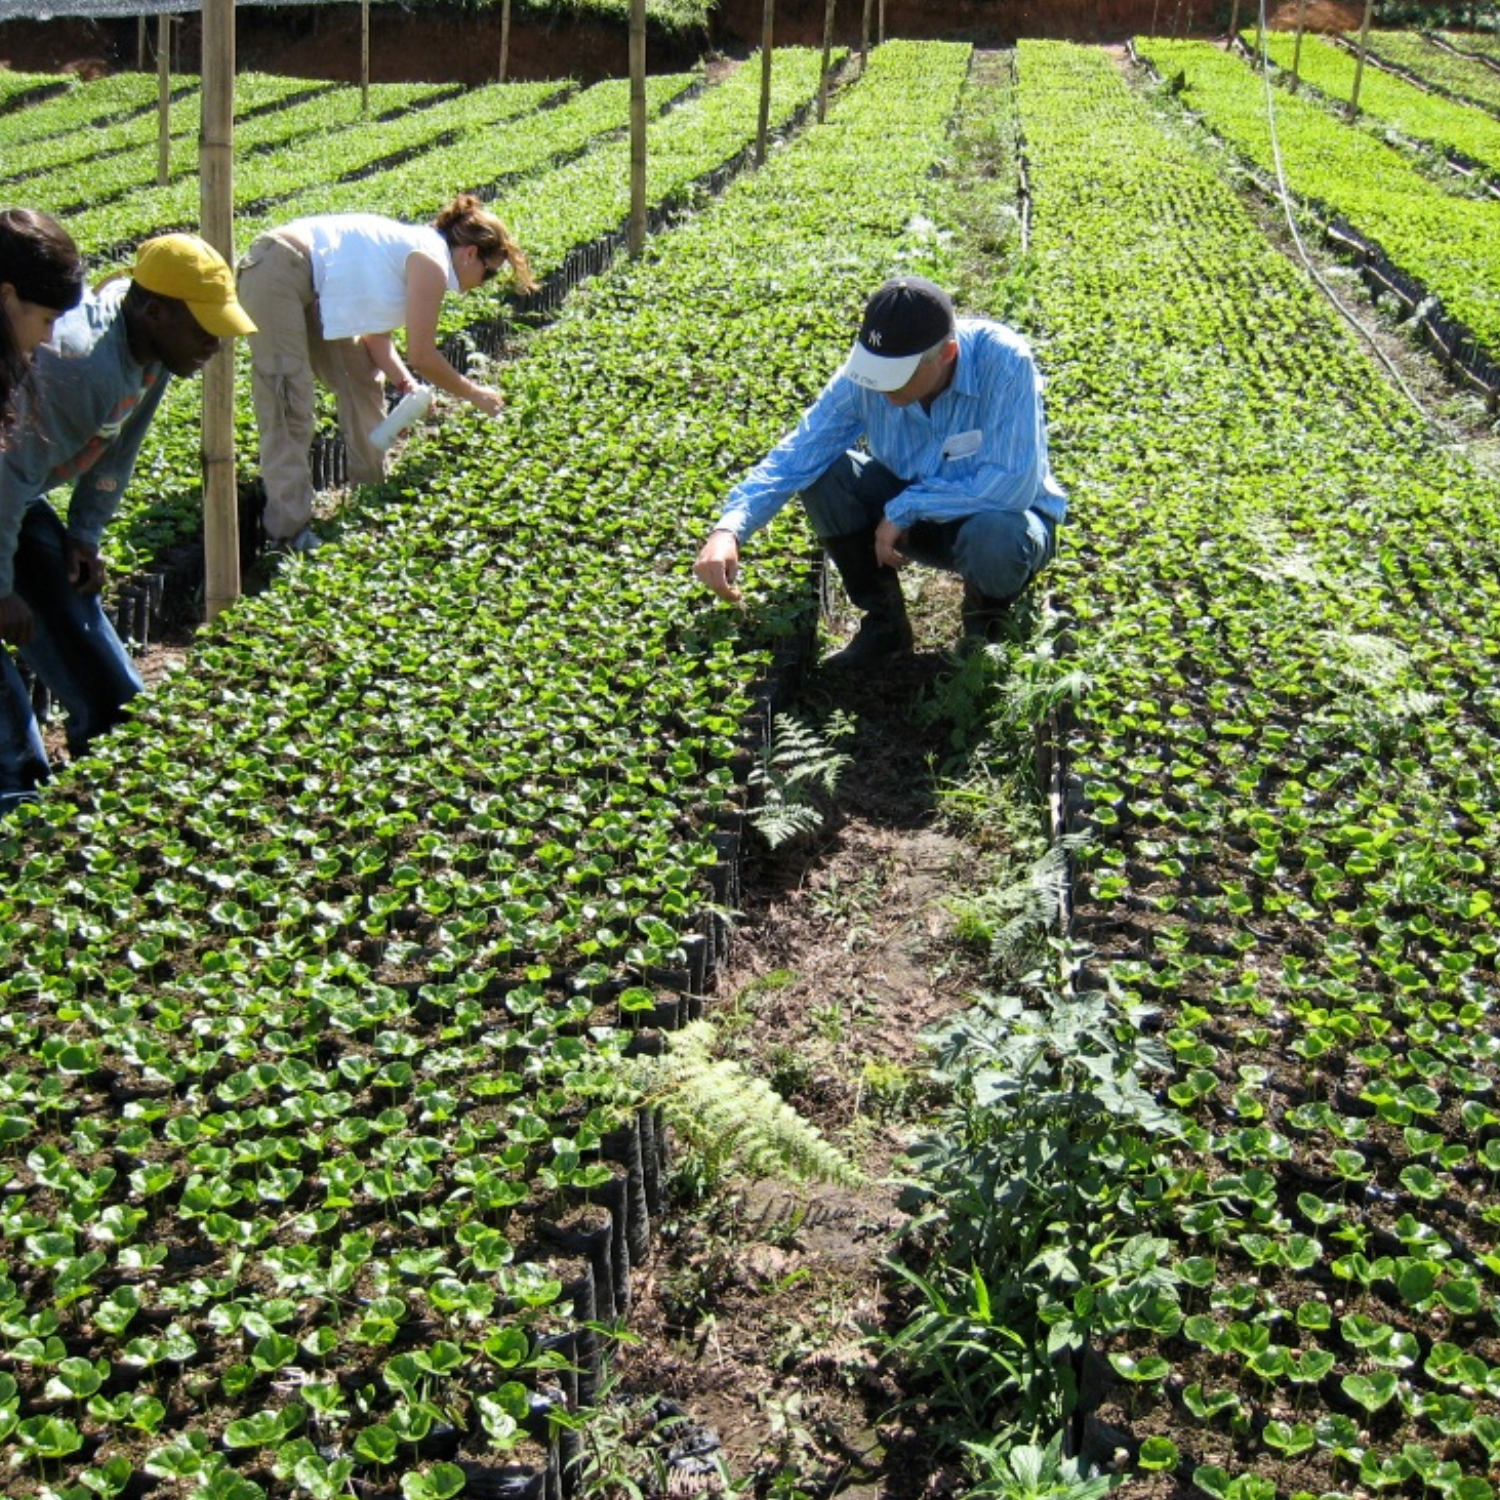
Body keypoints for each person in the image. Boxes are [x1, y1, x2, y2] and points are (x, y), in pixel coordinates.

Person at [0, 231, 255, 815]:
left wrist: (85, 533)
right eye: (205, 327)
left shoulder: (155, 353)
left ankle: (114, 773)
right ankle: (16, 812)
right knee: (10, 744)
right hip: (5, 489)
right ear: (154, 310)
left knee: (109, 687)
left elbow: (119, 448)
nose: (215, 343)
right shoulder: (79, 369)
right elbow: (6, 481)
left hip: (12, 493)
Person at [693, 276, 1067, 666]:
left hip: (1004, 525)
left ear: (946, 354)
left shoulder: (1004, 362)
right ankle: (884, 626)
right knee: (825, 472)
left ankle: (987, 629)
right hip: (908, 522)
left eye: (897, 375)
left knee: (994, 533)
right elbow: (799, 451)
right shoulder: (865, 381)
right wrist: (729, 529)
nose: (881, 388)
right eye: (875, 371)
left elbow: (1012, 485)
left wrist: (906, 506)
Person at [237, 194, 538, 553]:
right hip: (278, 268)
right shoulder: (430, 261)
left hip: (319, 287)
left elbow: (376, 340)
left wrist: (405, 384)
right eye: (489, 273)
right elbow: (422, 354)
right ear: (470, 253)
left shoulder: (416, 253)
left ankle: (370, 490)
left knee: (361, 378)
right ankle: (288, 534)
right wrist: (474, 393)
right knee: (288, 399)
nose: (483, 281)